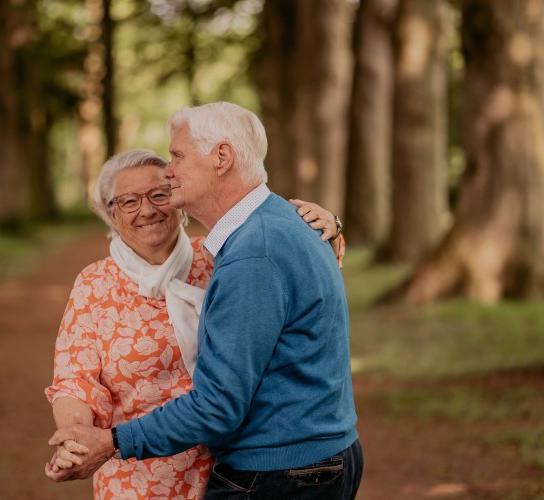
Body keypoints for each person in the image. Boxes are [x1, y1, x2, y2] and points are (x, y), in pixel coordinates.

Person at [47, 102, 362, 499]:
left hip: (223, 466)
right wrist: (78, 437)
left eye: (161, 189)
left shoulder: (224, 256)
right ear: (111, 215)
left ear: (221, 158)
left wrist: (330, 227)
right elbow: (75, 378)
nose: (149, 205)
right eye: (128, 201)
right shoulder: (96, 284)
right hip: (143, 472)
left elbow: (220, 401)